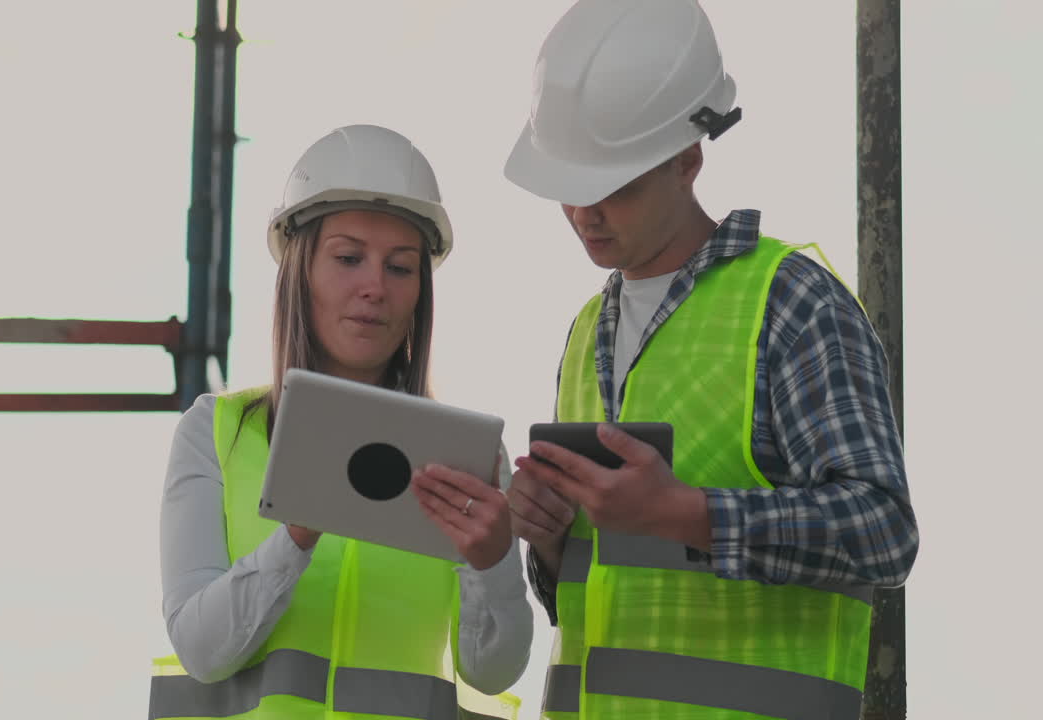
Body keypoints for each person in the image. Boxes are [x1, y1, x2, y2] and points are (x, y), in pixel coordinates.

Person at [500, 2, 920, 718]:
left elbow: (882, 532)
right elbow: (598, 593)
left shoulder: (792, 302)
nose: (585, 213)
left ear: (688, 159)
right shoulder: (583, 335)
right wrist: (549, 542)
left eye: (615, 186)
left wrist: (689, 514)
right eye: (571, 189)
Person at [152, 124, 532, 720]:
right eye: (349, 258)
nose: (374, 287)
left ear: (419, 293)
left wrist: (492, 564)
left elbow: (493, 669)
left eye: (401, 267)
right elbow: (201, 649)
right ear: (300, 270)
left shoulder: (468, 458)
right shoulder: (216, 433)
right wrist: (297, 534)